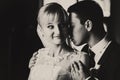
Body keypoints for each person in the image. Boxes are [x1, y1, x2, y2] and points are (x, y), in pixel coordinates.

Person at [28, 3, 90, 80]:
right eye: (50, 26)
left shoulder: (79, 58)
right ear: (42, 31)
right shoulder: (38, 56)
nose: (58, 31)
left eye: (62, 25)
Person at [67, 0, 120, 80]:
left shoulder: (117, 56)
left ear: (88, 25)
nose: (68, 32)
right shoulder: (83, 52)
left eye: (72, 26)